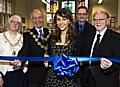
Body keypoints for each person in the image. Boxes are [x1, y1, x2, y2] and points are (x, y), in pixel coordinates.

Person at [79, 11, 120, 87]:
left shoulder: (116, 37)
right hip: (88, 79)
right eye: (95, 19)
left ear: (107, 21)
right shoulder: (88, 36)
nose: (98, 22)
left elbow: (118, 58)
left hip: (106, 80)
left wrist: (111, 65)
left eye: (101, 19)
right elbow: (82, 54)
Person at [45, 8, 80, 87]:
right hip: (52, 77)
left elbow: (80, 60)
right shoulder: (52, 37)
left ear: (69, 21)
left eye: (64, 19)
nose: (61, 22)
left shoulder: (76, 39)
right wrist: (46, 58)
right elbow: (49, 54)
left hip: (70, 79)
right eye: (58, 19)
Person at [18, 9, 49, 87]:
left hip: (49, 73)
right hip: (34, 74)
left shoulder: (50, 32)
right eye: (35, 18)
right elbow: (25, 50)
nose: (37, 20)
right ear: (32, 19)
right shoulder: (28, 34)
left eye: (39, 17)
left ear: (43, 18)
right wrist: (19, 59)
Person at [0, 15, 24, 87]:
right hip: (4, 73)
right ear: (8, 23)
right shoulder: (0, 36)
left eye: (18, 22)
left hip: (21, 73)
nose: (15, 24)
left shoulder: (23, 38)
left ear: (20, 25)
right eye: (12, 21)